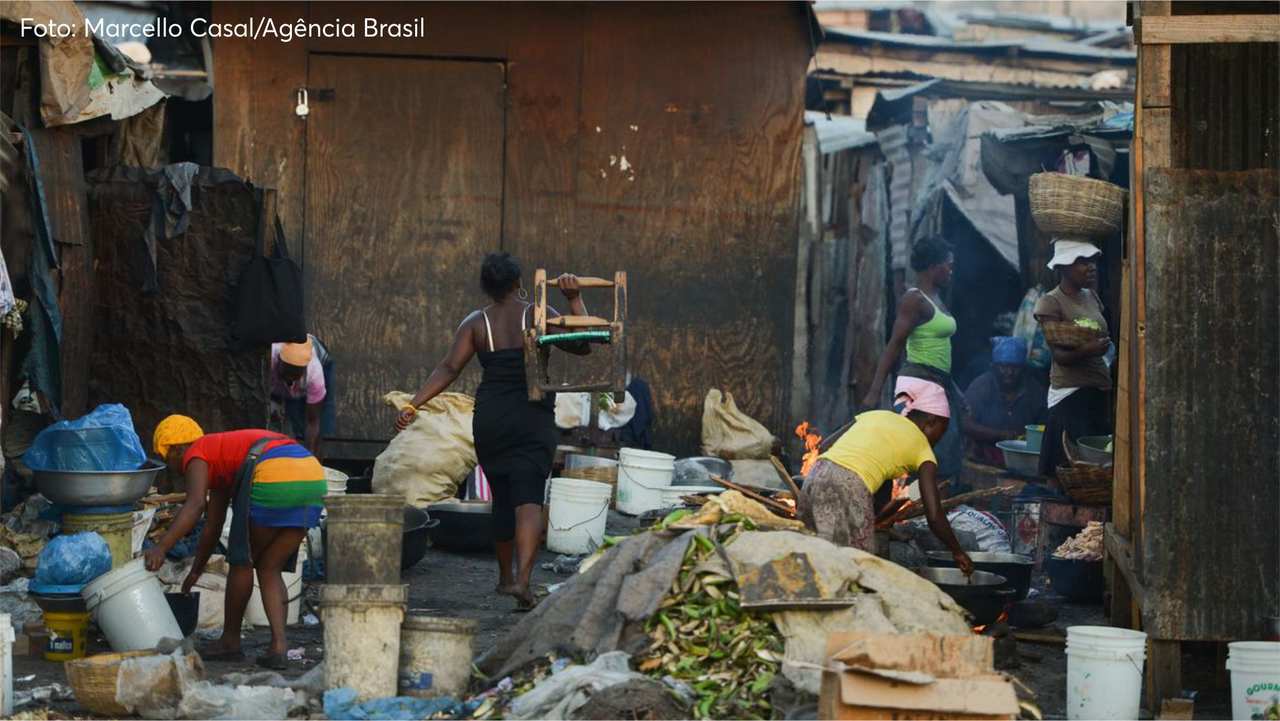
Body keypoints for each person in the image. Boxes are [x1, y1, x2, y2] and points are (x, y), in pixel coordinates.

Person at [395, 253, 588, 609]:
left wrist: (413, 404)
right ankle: (524, 583)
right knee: (528, 498)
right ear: (518, 283)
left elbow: (449, 367)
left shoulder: (476, 322)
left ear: (487, 287)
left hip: (491, 419)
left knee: (501, 497)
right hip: (533, 415)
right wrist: (574, 298)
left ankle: (504, 579)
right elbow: (582, 344)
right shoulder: (540, 314)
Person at [143, 415, 325, 669]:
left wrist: (160, 548)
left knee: (242, 561)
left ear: (177, 449)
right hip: (311, 476)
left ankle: (230, 642)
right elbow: (212, 526)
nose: (175, 467)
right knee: (269, 567)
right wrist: (196, 570)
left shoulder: (196, 453)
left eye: (168, 458)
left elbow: (195, 505)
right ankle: (279, 647)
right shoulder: (220, 460)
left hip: (274, 473)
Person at [798, 378, 974, 574]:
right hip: (848, 486)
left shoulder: (878, 415)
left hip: (814, 477)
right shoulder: (924, 450)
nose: (940, 439)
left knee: (811, 557)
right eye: (943, 430)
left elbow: (824, 446)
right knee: (856, 569)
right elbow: (934, 514)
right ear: (931, 422)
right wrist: (957, 551)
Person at [862, 236, 966, 480]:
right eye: (948, 265)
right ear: (933, 267)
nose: (951, 271)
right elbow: (894, 345)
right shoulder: (914, 300)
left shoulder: (937, 300)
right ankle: (908, 511)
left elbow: (940, 354)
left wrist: (956, 392)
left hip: (939, 384)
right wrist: (874, 391)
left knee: (942, 457)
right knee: (917, 456)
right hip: (918, 385)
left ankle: (928, 511)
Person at [1034, 241, 1112, 477]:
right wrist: (1090, 349)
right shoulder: (1051, 302)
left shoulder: (1091, 297)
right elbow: (1060, 356)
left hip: (1097, 391)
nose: (1091, 268)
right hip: (1070, 396)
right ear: (1064, 267)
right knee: (1067, 467)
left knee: (1097, 466)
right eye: (1082, 262)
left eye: (1092, 262)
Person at [963, 336, 1047, 467]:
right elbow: (965, 424)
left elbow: (1044, 428)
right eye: (1003, 367)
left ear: (1024, 368)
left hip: (1023, 459)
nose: (1009, 372)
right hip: (982, 456)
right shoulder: (981, 386)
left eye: (1015, 367)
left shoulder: (1035, 391)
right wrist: (1002, 435)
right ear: (994, 367)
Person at [269, 335, 334, 460]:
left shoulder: (314, 374)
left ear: (304, 370)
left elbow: (313, 421)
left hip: (321, 359)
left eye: (295, 375)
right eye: (287, 372)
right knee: (278, 415)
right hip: (276, 376)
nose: (290, 378)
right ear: (279, 361)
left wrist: (309, 456)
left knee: (317, 422)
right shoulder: (269, 359)